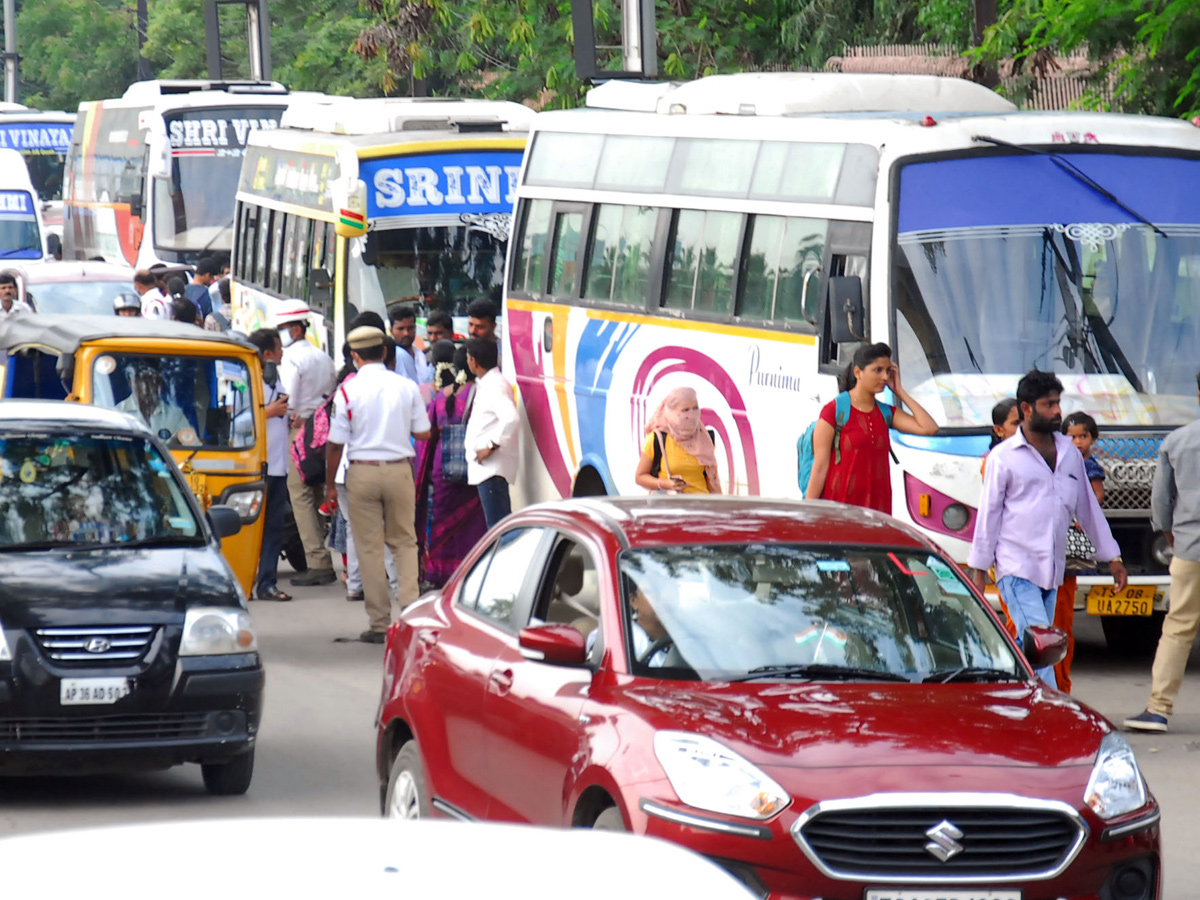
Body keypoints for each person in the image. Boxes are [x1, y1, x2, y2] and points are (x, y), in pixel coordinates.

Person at [968, 370, 1127, 688]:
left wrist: (1113, 557)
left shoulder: (1069, 453)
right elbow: (989, 517)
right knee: (1043, 648)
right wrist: (979, 569)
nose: (1057, 411)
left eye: (1058, 403)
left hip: (1052, 573)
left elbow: (1087, 508)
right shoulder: (1003, 458)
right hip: (1016, 569)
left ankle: (1008, 703)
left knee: (1031, 650)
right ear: (1026, 409)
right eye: (1048, 404)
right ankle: (1051, 719)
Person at [325, 326, 431, 643]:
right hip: (400, 471)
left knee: (369, 548)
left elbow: (335, 444)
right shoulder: (406, 386)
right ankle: (410, 614)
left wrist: (330, 485)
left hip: (362, 473)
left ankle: (380, 624)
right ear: (384, 352)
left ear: (355, 357)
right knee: (404, 542)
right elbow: (423, 432)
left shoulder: (347, 391)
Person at [1125, 375, 1200, 732]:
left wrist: (1172, 533)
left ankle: (1158, 709)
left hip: (1190, 548)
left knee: (1178, 627)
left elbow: (1160, 503)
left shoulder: (1177, 441)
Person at [805, 343, 938, 513]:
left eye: (888, 371)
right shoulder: (834, 411)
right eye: (878, 370)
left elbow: (929, 428)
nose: (884, 377)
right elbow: (819, 468)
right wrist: (809, 512)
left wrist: (899, 391)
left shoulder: (885, 413)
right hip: (839, 512)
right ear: (858, 373)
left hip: (877, 511)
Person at [414, 340, 487, 586]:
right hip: (471, 466)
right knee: (473, 525)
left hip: (441, 468)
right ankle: (470, 572)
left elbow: (427, 435)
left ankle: (439, 574)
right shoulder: (479, 394)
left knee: (441, 525)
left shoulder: (440, 396)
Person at [276, 299, 338, 587]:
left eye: (284, 328)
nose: (282, 333)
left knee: (299, 493)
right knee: (316, 491)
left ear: (296, 329)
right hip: (322, 431)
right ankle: (319, 554)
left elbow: (286, 400)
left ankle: (317, 561)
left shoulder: (291, 359)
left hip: (298, 432)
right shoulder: (323, 357)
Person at [1049, 410, 1107, 694]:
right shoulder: (1059, 463)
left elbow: (1095, 497)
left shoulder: (1089, 467)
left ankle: (1061, 685)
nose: (1077, 442)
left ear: (1093, 440)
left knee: (1061, 619)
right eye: (1071, 436)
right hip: (1056, 546)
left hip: (1071, 548)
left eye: (1083, 436)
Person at [246, 328, 292, 601]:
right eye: (279, 348)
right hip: (255, 468)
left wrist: (288, 415)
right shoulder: (244, 380)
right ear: (267, 354)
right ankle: (245, 579)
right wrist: (267, 413)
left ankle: (267, 583)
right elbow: (235, 420)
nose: (283, 352)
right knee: (249, 528)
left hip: (277, 466)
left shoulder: (276, 379)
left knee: (274, 528)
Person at [464, 338, 518, 528]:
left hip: (492, 469)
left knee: (499, 528)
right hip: (486, 468)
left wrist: (490, 446)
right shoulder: (489, 383)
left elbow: (511, 418)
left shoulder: (494, 385)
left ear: (474, 361)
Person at [634, 386, 721, 494]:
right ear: (672, 412)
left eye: (695, 408)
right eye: (685, 410)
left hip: (701, 506)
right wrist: (666, 484)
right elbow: (640, 477)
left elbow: (712, 481)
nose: (691, 415)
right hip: (671, 506)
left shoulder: (704, 438)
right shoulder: (657, 439)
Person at [116, 362, 197, 445]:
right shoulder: (117, 413)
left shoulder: (175, 415)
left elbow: (194, 446)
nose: (145, 388)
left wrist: (176, 442)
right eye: (138, 381)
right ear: (130, 383)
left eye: (149, 381)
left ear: (159, 384)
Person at [389, 304, 432, 384]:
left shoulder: (420, 355)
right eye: (400, 329)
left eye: (410, 328)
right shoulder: (389, 359)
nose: (406, 333)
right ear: (391, 330)